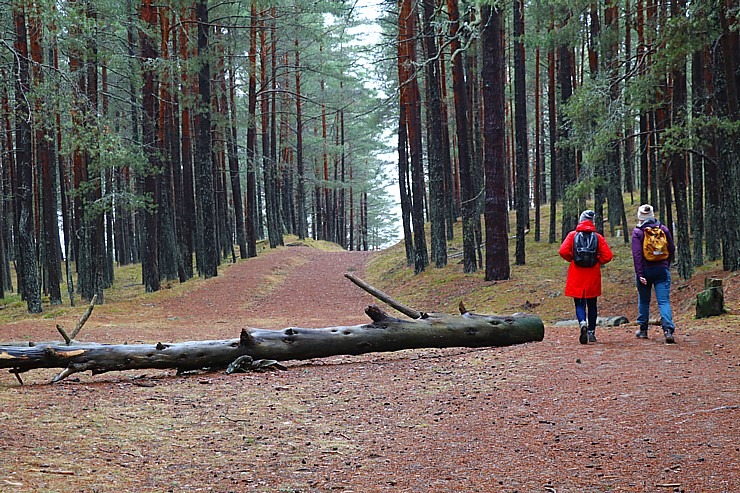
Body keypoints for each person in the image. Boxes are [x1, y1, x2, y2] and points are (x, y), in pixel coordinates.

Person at [559, 210, 614, 344]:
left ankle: (582, 322)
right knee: (592, 304)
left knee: (579, 303)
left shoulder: (573, 235)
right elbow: (608, 256)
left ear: (581, 220)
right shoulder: (598, 237)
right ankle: (591, 332)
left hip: (576, 273)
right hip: (592, 274)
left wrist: (573, 259)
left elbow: (562, 251)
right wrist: (597, 260)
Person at [631, 204, 676, 343]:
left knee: (644, 300)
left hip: (645, 270)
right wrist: (666, 265)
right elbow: (672, 248)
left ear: (640, 216)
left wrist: (640, 274)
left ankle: (643, 330)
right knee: (663, 301)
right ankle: (668, 330)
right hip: (661, 270)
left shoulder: (638, 232)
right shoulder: (663, 229)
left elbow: (637, 255)